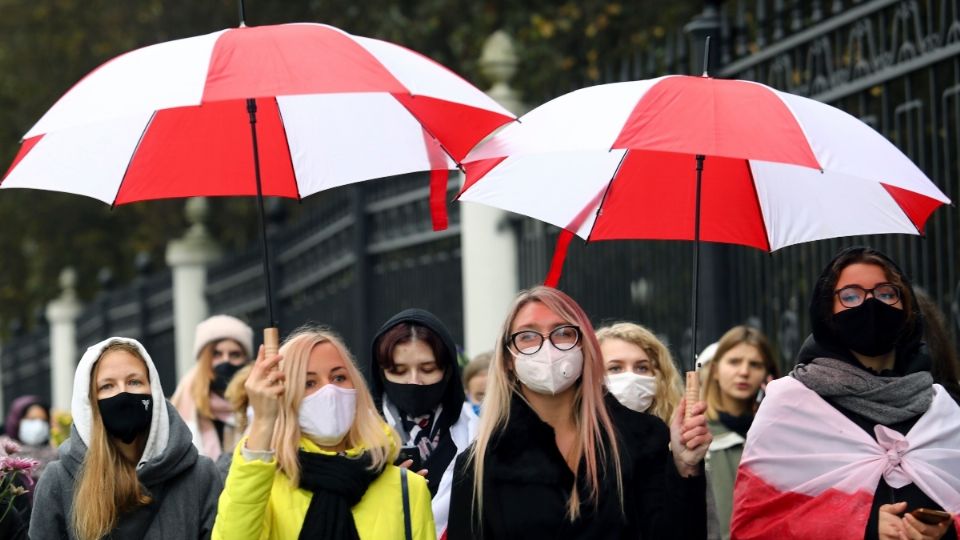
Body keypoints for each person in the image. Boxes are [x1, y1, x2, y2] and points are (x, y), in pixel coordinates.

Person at [731, 246, 960, 539]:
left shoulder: (943, 407)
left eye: (886, 293)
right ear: (827, 312)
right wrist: (863, 529)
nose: (871, 304)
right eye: (850, 296)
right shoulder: (788, 405)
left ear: (908, 309)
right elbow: (757, 526)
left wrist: (946, 531)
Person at [446, 286, 709, 539]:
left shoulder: (642, 437)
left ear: (584, 346)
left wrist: (685, 466)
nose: (547, 346)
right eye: (527, 336)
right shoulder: (479, 464)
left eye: (562, 332)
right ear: (507, 360)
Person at [213, 327, 436, 540]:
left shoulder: (408, 490)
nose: (329, 391)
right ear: (284, 396)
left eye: (339, 377)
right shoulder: (264, 488)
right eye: (309, 383)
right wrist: (263, 422)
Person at [30, 337, 222, 540]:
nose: (123, 393)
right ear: (89, 402)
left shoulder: (200, 475)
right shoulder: (59, 481)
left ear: (154, 391)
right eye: (107, 386)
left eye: (134, 382)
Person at [368, 309, 478, 538]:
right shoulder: (359, 436)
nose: (414, 381)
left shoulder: (476, 432)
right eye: (398, 371)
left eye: (427, 369)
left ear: (447, 371)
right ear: (381, 374)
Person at [700, 325, 779, 540]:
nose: (744, 372)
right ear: (715, 370)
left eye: (755, 364)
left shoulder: (779, 433)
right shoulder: (696, 433)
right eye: (734, 362)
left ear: (767, 373)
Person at [171, 314, 254, 460]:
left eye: (235, 355)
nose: (226, 361)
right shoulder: (182, 405)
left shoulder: (257, 405)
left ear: (246, 361)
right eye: (216, 354)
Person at [596, 322, 683, 424]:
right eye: (615, 368)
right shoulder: (578, 437)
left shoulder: (675, 435)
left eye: (642, 368)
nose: (631, 377)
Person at [1, 395, 58, 481]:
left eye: (43, 420)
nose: (38, 425)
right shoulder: (3, 454)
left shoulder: (55, 457)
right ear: (16, 421)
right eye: (32, 419)